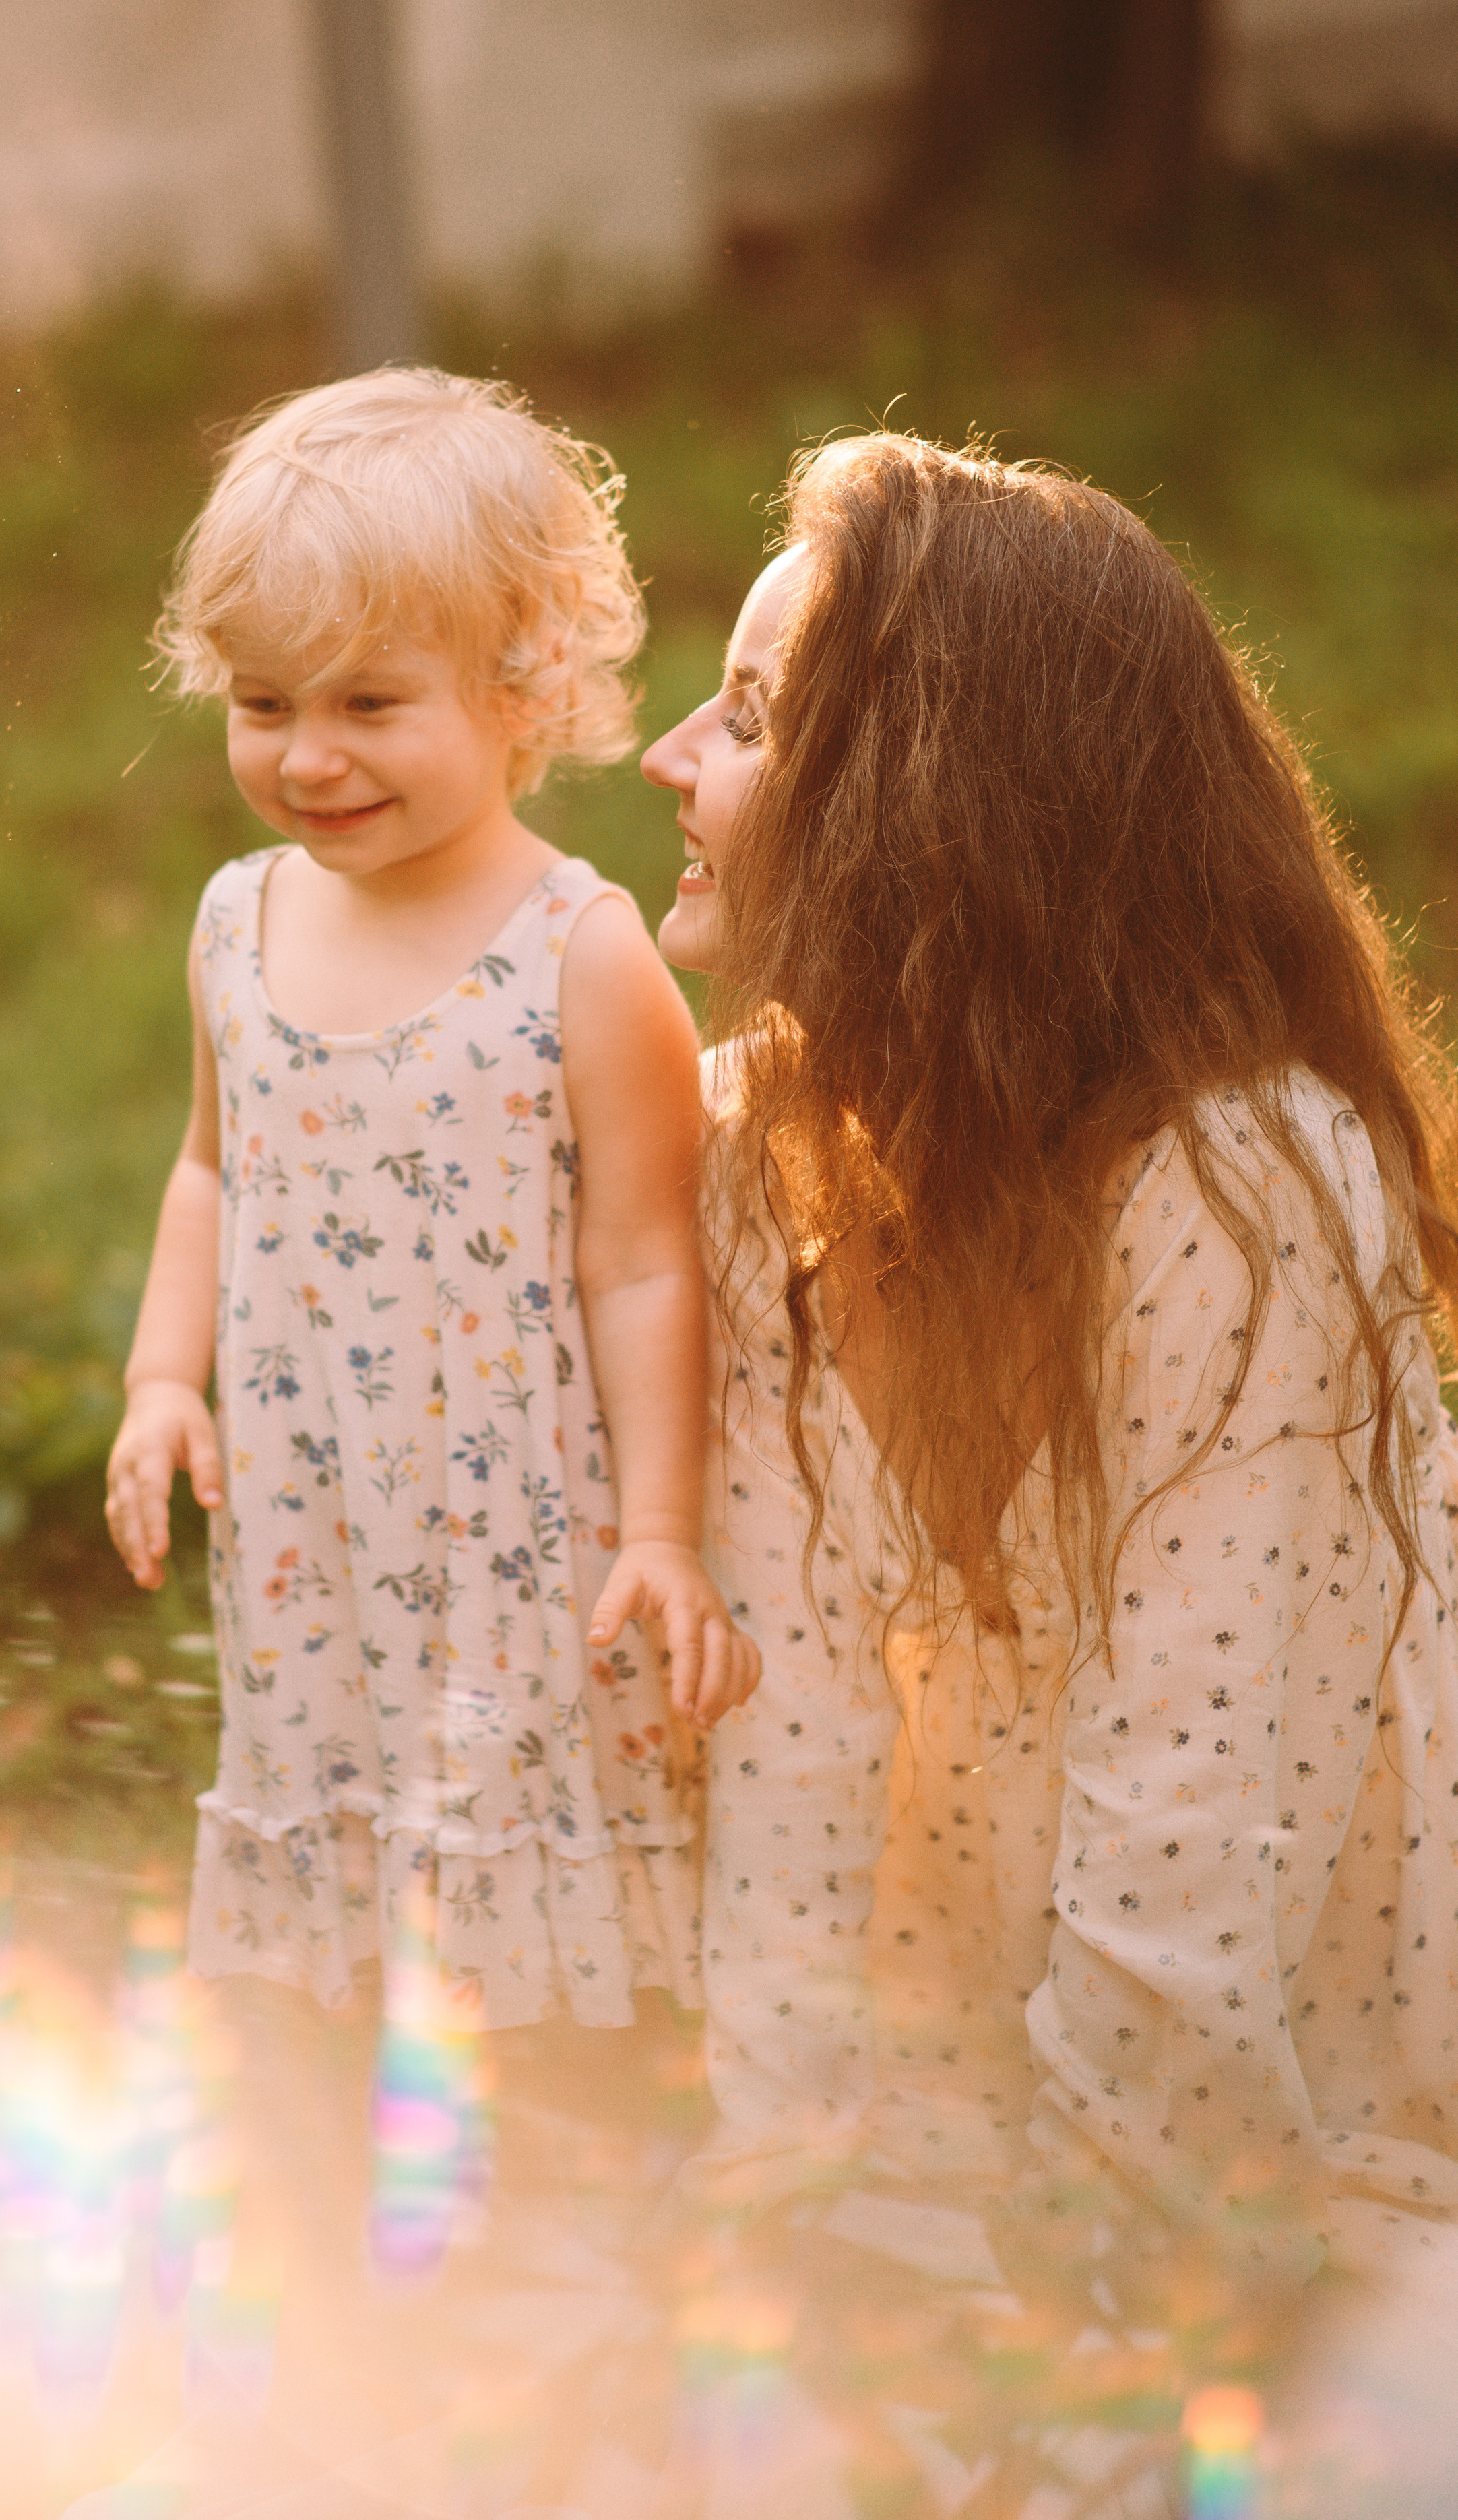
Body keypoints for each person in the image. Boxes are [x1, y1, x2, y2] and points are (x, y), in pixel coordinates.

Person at [644, 429, 1458, 2293]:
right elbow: (785, 1746)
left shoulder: (1249, 1187)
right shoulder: (754, 1156)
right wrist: (790, 2159)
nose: (667, 758)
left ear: (927, 803)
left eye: (751, 718)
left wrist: (1058, 2271)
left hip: (1285, 2118)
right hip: (948, 2114)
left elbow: (1201, 1831)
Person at [104, 367, 757, 2038]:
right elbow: (208, 1166)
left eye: (368, 705)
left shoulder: (579, 950)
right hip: (316, 1490)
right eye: (262, 704)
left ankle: (562, 2118)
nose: (307, 758)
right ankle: (364, 2078)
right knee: (345, 1763)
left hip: (510, 1518)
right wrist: (161, 1379)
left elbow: (638, 1262)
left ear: (524, 681)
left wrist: (661, 1531)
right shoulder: (234, 924)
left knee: (511, 1798)